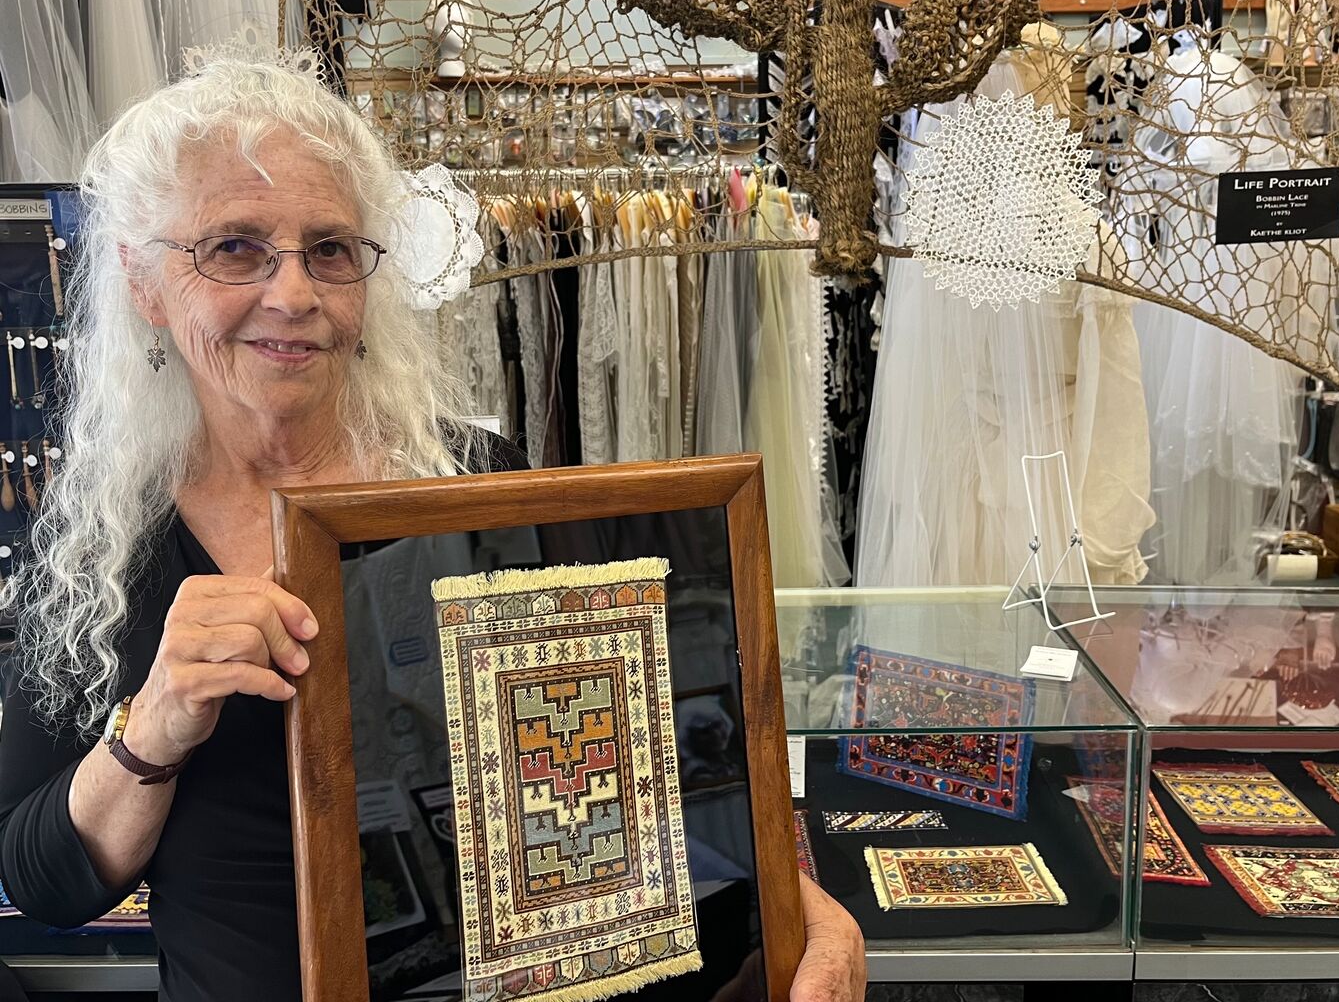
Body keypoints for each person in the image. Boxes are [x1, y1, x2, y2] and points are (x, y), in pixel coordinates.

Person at [0, 57, 864, 1002]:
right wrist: (156, 724)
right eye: (235, 248)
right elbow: (41, 878)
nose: (293, 294)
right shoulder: (100, 547)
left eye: (330, 249)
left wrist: (790, 907)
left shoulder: (476, 484)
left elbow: (643, 776)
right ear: (145, 282)